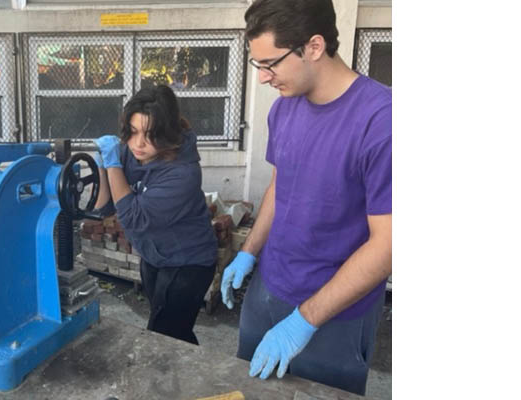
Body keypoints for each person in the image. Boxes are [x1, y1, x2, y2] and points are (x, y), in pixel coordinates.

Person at [219, 0, 392, 395]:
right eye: (256, 64)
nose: (263, 78)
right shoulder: (285, 108)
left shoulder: (382, 122)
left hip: (334, 313)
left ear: (314, 47)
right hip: (268, 289)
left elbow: (388, 246)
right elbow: (282, 187)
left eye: (271, 64)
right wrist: (249, 251)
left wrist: (305, 320)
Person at [93, 84, 218, 345]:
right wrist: (104, 168)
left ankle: (178, 380)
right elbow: (104, 208)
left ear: (166, 133)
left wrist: (114, 165)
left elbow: (133, 218)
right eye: (133, 131)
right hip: (154, 255)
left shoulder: (183, 173)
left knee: (164, 336)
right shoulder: (131, 153)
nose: (139, 143)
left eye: (150, 135)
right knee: (172, 330)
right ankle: (184, 370)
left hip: (188, 262)